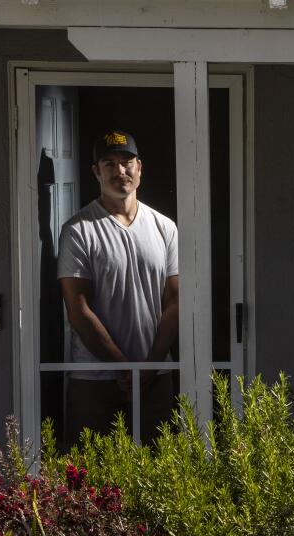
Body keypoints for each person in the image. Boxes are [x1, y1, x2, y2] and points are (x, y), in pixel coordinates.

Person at [57, 129, 179, 442]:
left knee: (160, 475)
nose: (119, 170)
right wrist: (126, 369)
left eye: (126, 162)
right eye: (109, 163)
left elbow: (175, 302)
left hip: (155, 375)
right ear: (96, 172)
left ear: (140, 167)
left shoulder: (164, 227)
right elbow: (78, 309)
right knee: (91, 478)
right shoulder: (78, 230)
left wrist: (148, 367)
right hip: (95, 378)